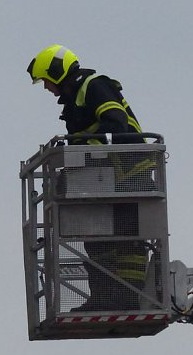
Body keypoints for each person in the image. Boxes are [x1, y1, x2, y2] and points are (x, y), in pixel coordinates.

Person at [27, 44, 151, 311]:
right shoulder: (74, 101)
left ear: (57, 72)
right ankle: (103, 299)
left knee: (127, 239)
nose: (47, 89)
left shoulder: (95, 86)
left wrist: (79, 142)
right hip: (106, 178)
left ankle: (129, 299)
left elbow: (115, 123)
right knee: (96, 239)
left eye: (47, 82)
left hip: (130, 174)